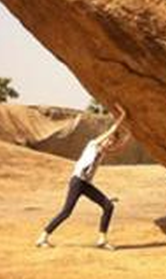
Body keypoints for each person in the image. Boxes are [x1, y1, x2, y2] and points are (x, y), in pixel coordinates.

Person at [36, 106, 129, 249]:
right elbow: (111, 131)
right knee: (66, 212)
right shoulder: (93, 145)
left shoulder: (102, 153)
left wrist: (128, 137)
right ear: (104, 139)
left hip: (85, 184)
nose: (109, 143)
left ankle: (102, 240)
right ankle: (43, 237)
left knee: (108, 206)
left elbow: (117, 147)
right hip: (77, 181)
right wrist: (122, 116)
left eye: (111, 142)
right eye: (108, 140)